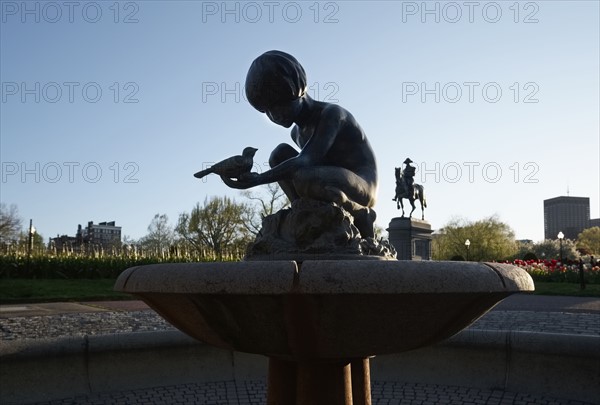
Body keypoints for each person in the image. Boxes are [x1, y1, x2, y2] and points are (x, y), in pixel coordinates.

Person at [220, 50, 378, 237]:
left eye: (280, 105)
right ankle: (303, 211)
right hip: (326, 179)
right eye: (268, 111)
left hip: (362, 186)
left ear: (298, 90)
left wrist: (257, 179)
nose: (275, 116)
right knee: (279, 155)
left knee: (303, 176)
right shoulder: (296, 133)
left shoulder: (332, 114)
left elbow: (305, 161)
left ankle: (360, 213)